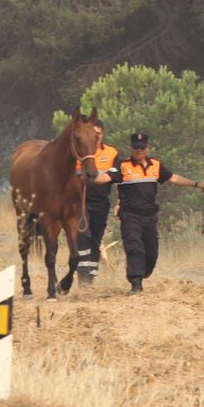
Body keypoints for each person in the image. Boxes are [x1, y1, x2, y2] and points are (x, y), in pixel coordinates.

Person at [109, 131, 204, 294]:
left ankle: (143, 273)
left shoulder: (155, 165)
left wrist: (197, 184)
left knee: (152, 254)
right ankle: (136, 284)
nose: (139, 150)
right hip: (130, 215)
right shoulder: (123, 165)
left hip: (150, 217)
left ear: (147, 148)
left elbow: (174, 178)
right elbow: (106, 178)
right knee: (134, 247)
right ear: (130, 147)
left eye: (142, 147)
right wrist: (90, 177)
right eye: (136, 147)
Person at [74, 119, 119, 284]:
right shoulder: (81, 153)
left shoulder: (112, 153)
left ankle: (91, 274)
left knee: (96, 239)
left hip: (102, 201)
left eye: (98, 134)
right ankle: (83, 273)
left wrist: (97, 178)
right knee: (83, 235)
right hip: (81, 201)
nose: (96, 137)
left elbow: (116, 174)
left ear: (103, 134)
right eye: (93, 133)